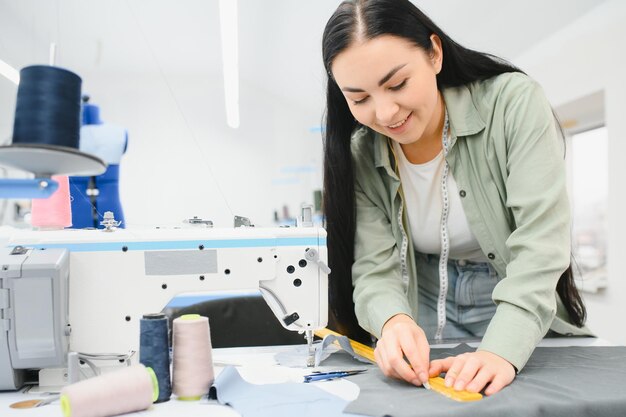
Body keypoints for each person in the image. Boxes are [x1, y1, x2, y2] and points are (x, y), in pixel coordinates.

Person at [321, 0, 592, 396]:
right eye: (359, 99)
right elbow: (373, 269)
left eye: (397, 84)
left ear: (434, 53)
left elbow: (541, 242)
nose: (385, 112)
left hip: (514, 295)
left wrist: (501, 349)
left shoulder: (512, 103)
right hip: (423, 299)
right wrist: (393, 322)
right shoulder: (363, 150)